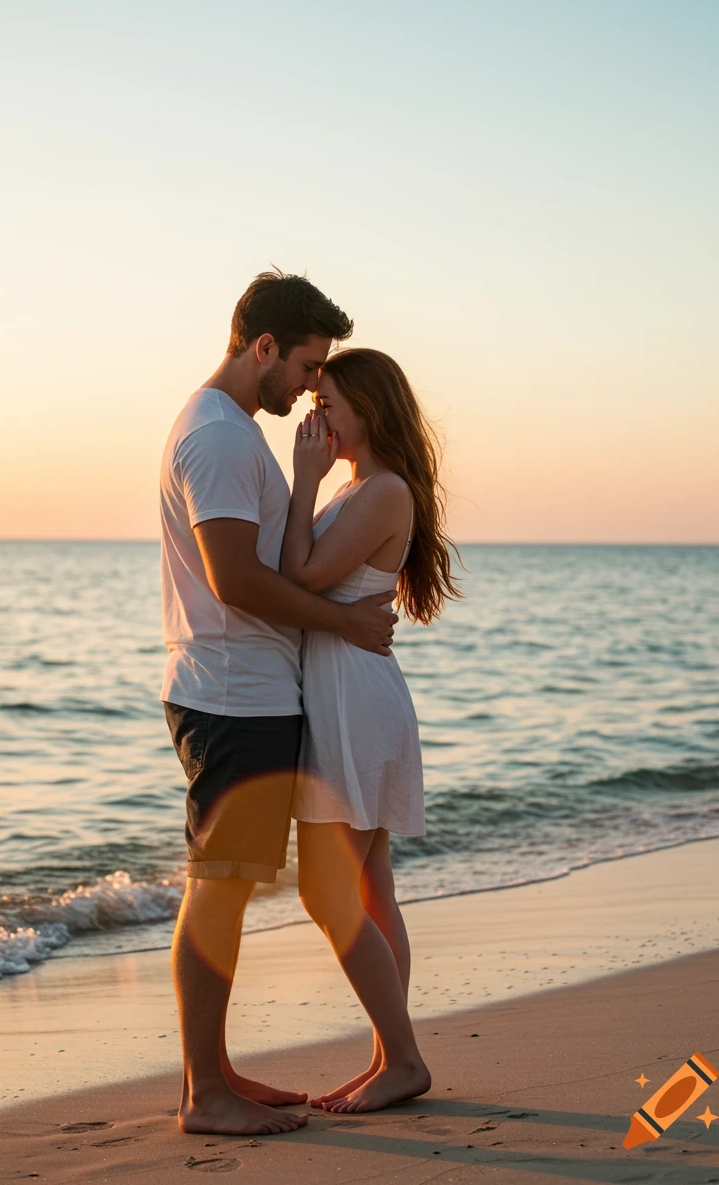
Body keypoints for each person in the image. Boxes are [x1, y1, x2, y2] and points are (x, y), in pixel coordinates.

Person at [160, 271, 400, 1137]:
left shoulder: (232, 431)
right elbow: (236, 580)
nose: (309, 386)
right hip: (232, 697)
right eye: (304, 365)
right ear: (263, 347)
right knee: (218, 888)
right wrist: (341, 621)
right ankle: (204, 1096)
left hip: (250, 694)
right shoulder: (220, 438)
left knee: (226, 884)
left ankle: (213, 1073)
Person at [280, 347, 464, 1114]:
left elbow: (299, 575)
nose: (314, 419)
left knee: (331, 892)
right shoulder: (366, 488)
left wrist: (303, 482)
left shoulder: (382, 493)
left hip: (356, 702)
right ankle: (391, 1055)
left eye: (329, 407)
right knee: (370, 887)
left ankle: (405, 1059)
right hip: (350, 694)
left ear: (370, 412)